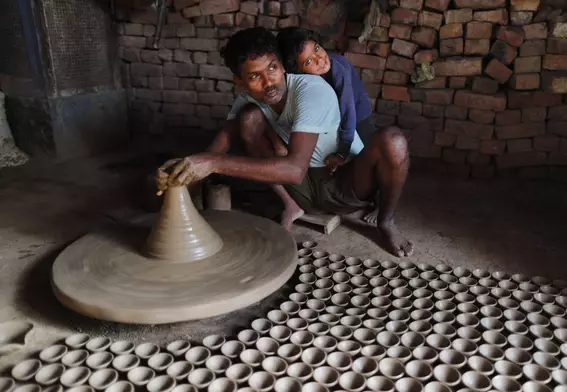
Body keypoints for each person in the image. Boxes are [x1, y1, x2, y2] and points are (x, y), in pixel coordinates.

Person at [155, 27, 413, 257]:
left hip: (345, 183)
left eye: (272, 68)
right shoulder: (247, 99)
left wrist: (213, 163)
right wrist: (182, 172)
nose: (269, 82)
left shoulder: (312, 91)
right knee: (249, 118)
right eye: (255, 77)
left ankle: (386, 221)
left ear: (282, 65)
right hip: (299, 189)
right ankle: (290, 205)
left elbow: (292, 169)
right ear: (240, 82)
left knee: (394, 141)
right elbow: (217, 147)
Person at [277, 27, 379, 224]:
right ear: (296, 71)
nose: (319, 58)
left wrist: (342, 151)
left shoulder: (338, 68)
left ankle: (380, 204)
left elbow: (348, 112)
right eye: (308, 61)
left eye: (317, 48)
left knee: (370, 157)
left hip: (358, 114)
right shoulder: (303, 82)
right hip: (337, 115)